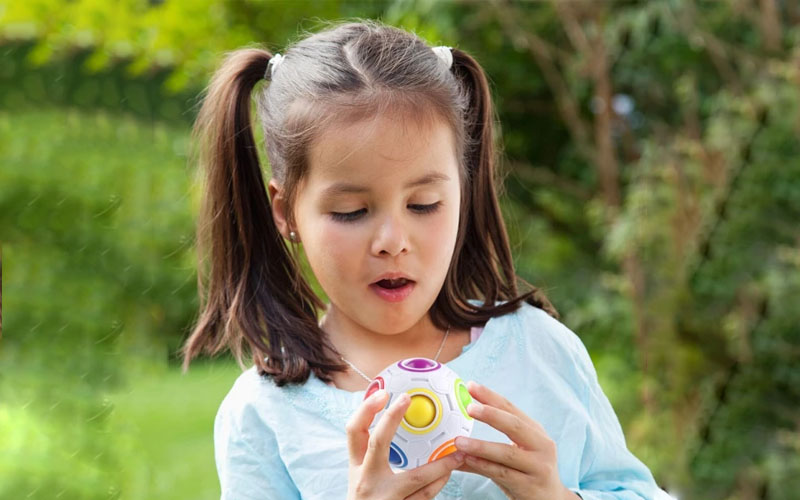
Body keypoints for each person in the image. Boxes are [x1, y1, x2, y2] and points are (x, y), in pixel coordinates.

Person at [181, 19, 674, 500]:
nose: (393, 241)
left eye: (424, 205)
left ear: (463, 191)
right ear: (287, 213)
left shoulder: (539, 350)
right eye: (351, 212)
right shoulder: (265, 415)